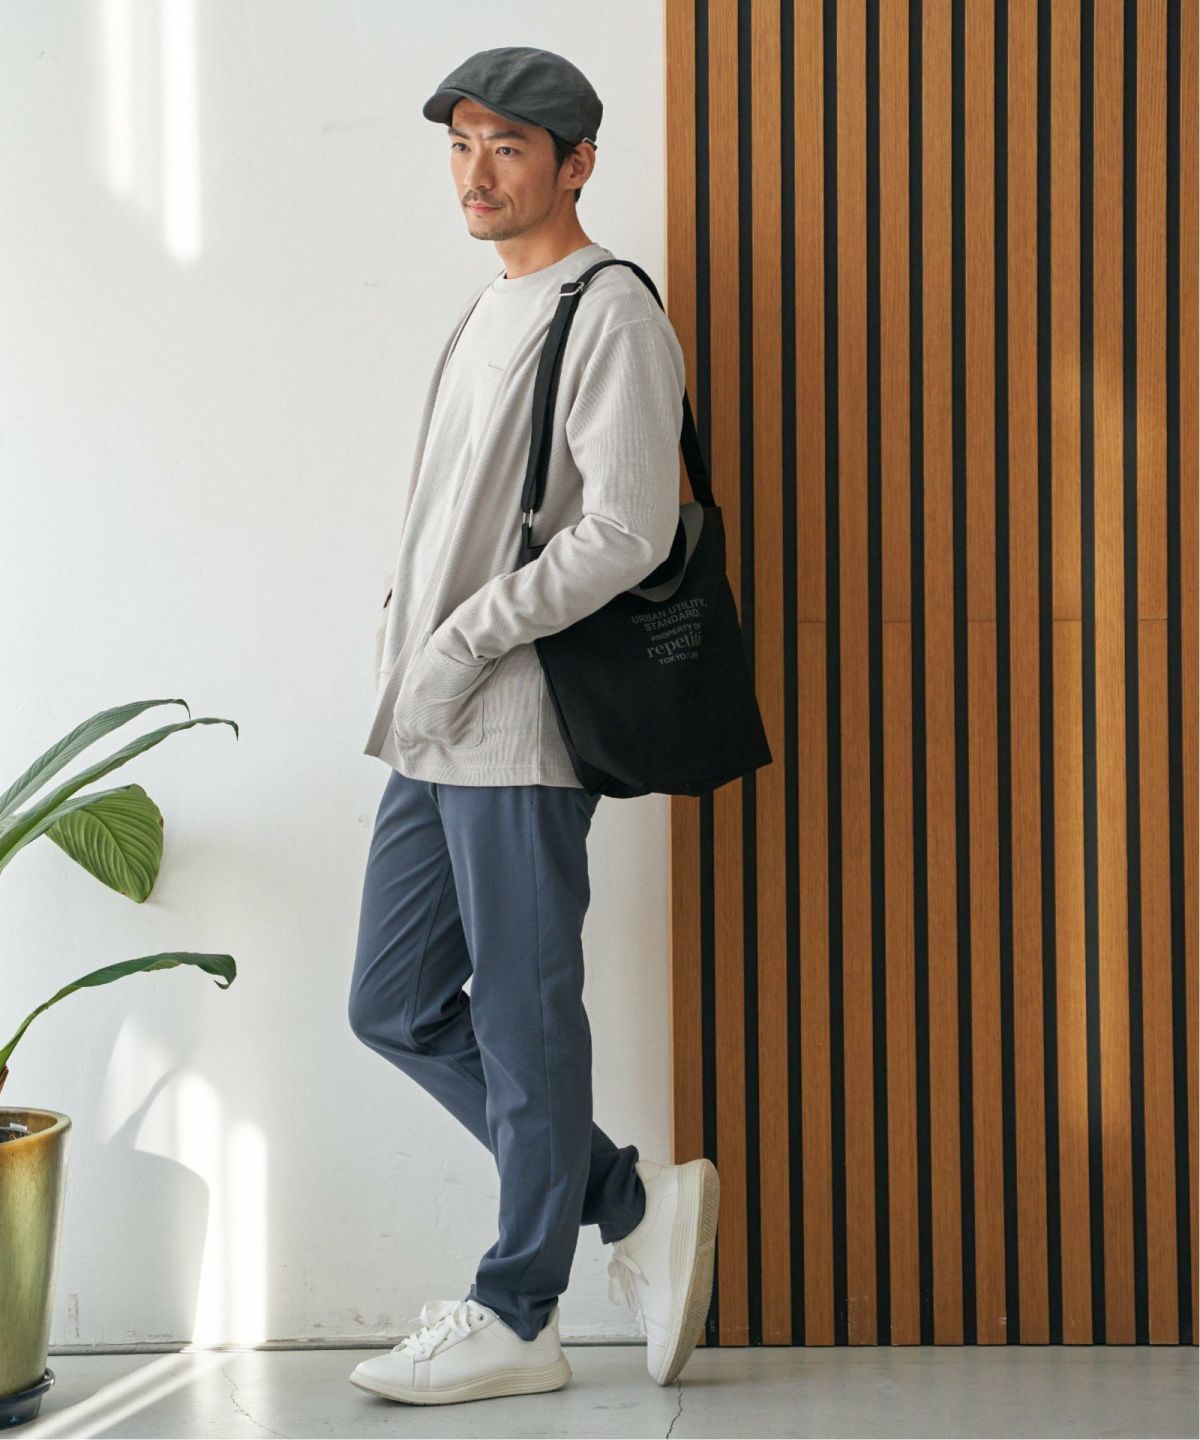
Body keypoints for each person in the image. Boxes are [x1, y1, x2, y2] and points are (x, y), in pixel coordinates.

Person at [346, 45, 720, 1408]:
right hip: (432, 721)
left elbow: (627, 528)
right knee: (392, 1003)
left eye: (509, 146)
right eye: (462, 145)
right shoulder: (488, 306)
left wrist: (465, 637)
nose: (477, 172)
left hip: (513, 718)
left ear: (577, 163)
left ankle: (519, 1313)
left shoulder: (608, 312)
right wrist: (415, 651)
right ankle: (625, 1195)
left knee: (522, 1013)